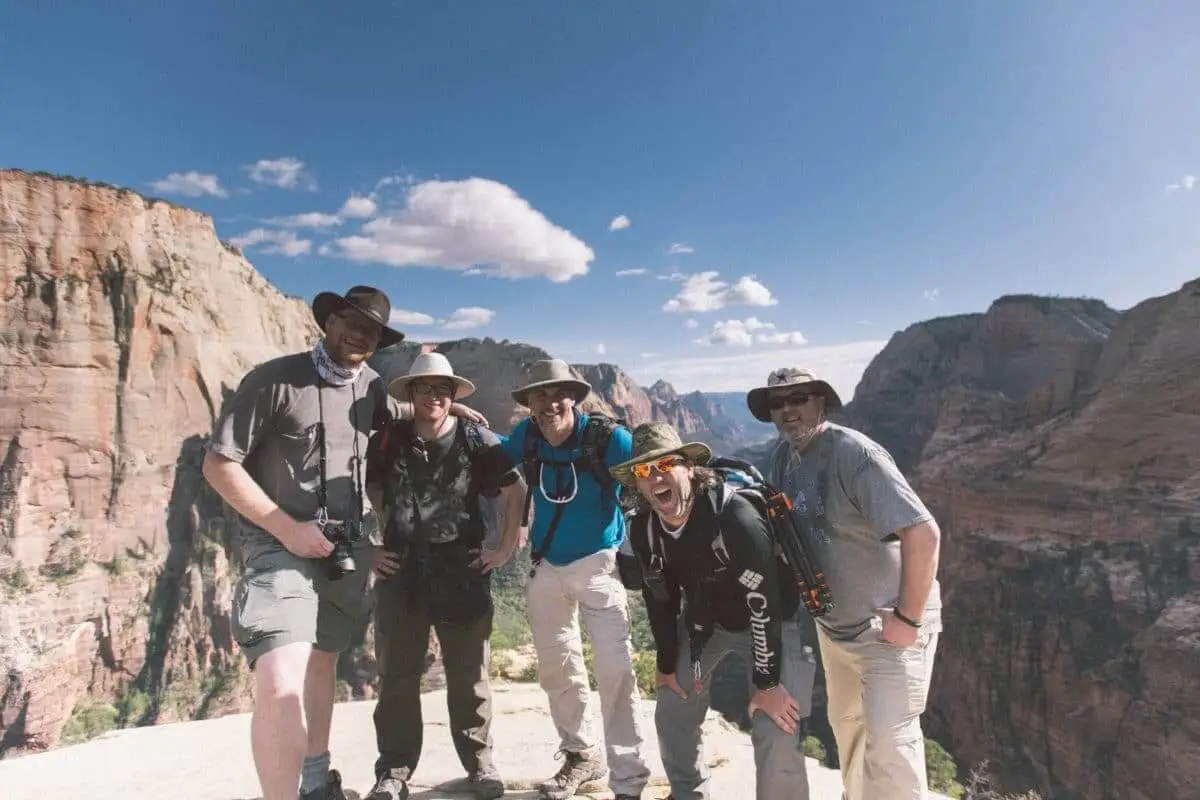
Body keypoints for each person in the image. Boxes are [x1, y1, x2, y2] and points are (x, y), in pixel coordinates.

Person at [201, 286, 486, 800]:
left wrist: (453, 414)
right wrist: (287, 529)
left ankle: (316, 781)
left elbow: (400, 417)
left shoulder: (373, 387)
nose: (359, 334)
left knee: (322, 661)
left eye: (371, 329)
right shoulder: (275, 380)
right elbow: (218, 464)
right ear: (328, 321)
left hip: (344, 554)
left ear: (379, 341)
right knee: (279, 675)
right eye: (350, 321)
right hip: (278, 547)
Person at [747, 367, 942, 800]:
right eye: (777, 403)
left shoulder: (854, 454)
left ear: (820, 402)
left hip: (887, 631)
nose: (787, 411)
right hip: (834, 630)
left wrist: (908, 620)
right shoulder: (784, 457)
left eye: (798, 399)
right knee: (850, 732)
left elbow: (924, 533)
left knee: (891, 748)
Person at [611, 421, 816, 800]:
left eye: (664, 464)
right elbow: (661, 598)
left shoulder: (734, 517)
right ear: (637, 485)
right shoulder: (644, 529)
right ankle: (688, 793)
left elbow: (764, 603)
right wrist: (667, 663)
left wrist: (768, 684)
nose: (654, 476)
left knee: (777, 723)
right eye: (643, 471)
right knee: (672, 707)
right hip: (709, 623)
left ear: (689, 467)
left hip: (772, 623)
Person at [362, 352, 528, 800]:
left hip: (463, 570)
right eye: (424, 388)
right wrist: (367, 547)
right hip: (400, 571)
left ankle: (479, 764)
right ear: (411, 394)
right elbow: (347, 487)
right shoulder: (387, 440)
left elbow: (517, 491)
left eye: (442, 389)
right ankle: (394, 771)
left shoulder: (476, 439)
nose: (433, 396)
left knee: (469, 674)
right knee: (397, 675)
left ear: (452, 394)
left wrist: (505, 548)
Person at [494, 359, 651, 800]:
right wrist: (465, 420)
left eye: (558, 393)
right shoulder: (526, 437)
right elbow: (491, 454)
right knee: (557, 667)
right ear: (529, 403)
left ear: (574, 397)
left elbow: (653, 478)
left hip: (600, 566)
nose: (549, 404)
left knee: (615, 669)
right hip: (546, 566)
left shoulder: (607, 439)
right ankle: (582, 757)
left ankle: (629, 778)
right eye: (539, 395)